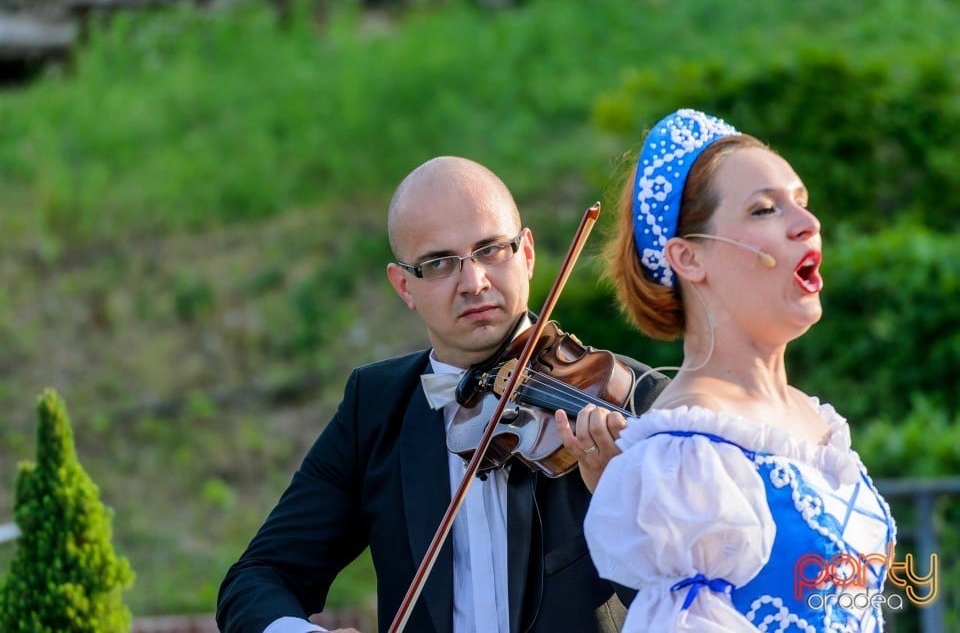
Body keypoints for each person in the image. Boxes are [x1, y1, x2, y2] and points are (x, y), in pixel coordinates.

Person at [216, 155, 669, 633]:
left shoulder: (633, 400)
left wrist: (629, 509)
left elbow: (702, 605)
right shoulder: (374, 409)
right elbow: (256, 580)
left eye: (491, 250)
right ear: (404, 286)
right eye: (439, 264)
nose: (474, 283)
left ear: (528, 254)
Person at [572, 109, 897, 631]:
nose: (808, 225)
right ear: (689, 258)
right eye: (766, 209)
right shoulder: (685, 453)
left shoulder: (812, 422)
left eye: (802, 203)